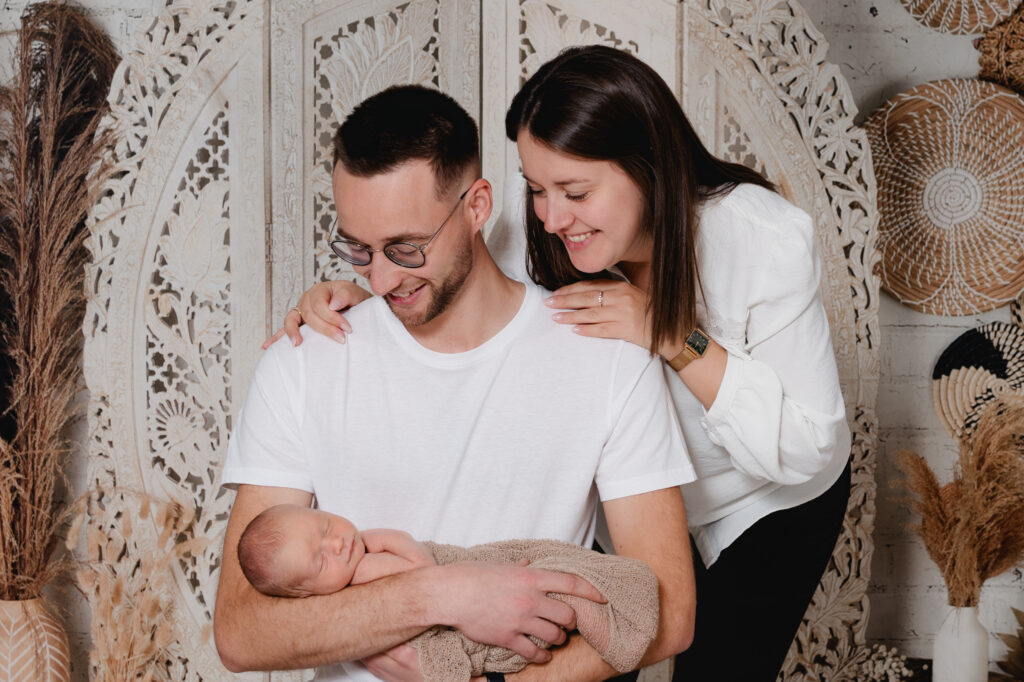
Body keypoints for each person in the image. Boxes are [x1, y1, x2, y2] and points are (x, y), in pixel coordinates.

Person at [276, 46, 852, 681]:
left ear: (648, 168)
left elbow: (809, 446)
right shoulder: (541, 231)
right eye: (536, 188)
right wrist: (366, 299)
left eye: (575, 191)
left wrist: (671, 335)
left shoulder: (763, 238)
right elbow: (449, 273)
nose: (551, 217)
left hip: (767, 498)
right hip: (635, 503)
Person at [214, 83, 698, 682]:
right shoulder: (302, 360)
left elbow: (669, 613)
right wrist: (440, 595)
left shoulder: (606, 358)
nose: (384, 279)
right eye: (359, 250)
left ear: (476, 206)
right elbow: (240, 632)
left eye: (407, 248)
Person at [236, 504, 661, 680]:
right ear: (305, 595)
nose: (337, 544)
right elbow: (425, 579)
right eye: (319, 560)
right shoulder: (365, 570)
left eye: (326, 526)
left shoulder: (366, 548)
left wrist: (441, 581)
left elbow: (426, 569)